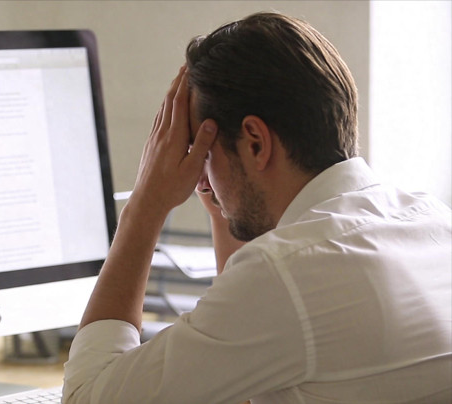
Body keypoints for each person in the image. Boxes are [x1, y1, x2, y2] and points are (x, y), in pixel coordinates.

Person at [62, 12, 452, 404]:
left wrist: (145, 204)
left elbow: (85, 398)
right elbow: (241, 381)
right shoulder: (434, 222)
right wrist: (223, 204)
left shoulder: (288, 273)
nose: (199, 180)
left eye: (202, 153)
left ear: (255, 142)